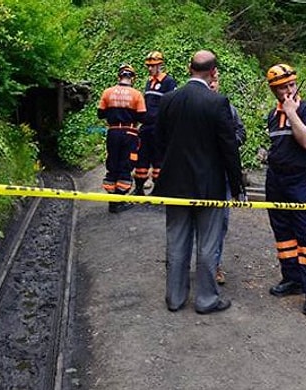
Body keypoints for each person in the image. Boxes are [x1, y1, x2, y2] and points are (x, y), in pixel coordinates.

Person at [153, 50, 244, 314]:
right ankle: (206, 300)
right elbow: (229, 149)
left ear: (189, 69)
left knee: (177, 242)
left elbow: (158, 140)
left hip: (175, 186)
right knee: (207, 244)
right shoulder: (218, 103)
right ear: (213, 72)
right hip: (210, 187)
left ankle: (175, 298)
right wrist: (236, 187)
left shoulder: (168, 100)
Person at [264, 63, 306, 317]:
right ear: (274, 90)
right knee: (283, 234)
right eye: (282, 88)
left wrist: (292, 114)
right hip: (277, 180)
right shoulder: (270, 115)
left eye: (291, 85)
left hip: (303, 182)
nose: (289, 90)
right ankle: (292, 278)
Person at [209, 78, 246, 285]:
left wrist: (228, 144)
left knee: (220, 222)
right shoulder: (195, 106)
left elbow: (242, 132)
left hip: (222, 173)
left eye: (215, 81)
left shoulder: (228, 108)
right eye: (210, 80)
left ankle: (215, 265)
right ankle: (191, 263)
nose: (212, 84)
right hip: (198, 174)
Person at [97, 63, 147, 213]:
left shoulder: (107, 92)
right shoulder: (136, 95)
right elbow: (143, 116)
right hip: (129, 132)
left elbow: (100, 114)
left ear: (119, 76)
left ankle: (112, 199)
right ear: (133, 78)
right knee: (126, 163)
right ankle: (120, 199)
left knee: (112, 162)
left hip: (113, 132)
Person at [133, 51, 177, 195]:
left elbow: (171, 105)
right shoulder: (149, 83)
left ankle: (158, 191)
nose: (150, 69)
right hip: (146, 127)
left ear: (160, 66)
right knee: (142, 158)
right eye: (148, 66)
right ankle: (139, 188)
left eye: (152, 66)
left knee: (159, 159)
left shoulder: (168, 82)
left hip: (159, 128)